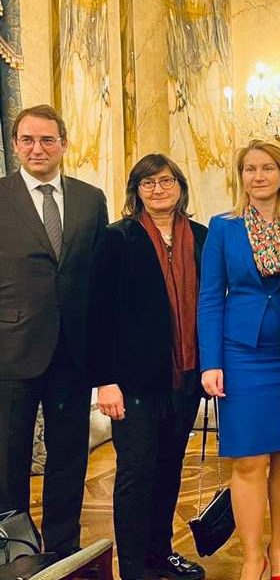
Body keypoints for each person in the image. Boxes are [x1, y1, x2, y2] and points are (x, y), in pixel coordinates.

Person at [198, 140, 280, 580]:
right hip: (241, 355)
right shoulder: (223, 227)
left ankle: (279, 548)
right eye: (250, 169)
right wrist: (211, 362)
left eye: (267, 168)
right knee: (247, 459)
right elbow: (210, 297)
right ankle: (252, 557)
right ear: (241, 176)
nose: (259, 176)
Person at [89, 154, 208, 580]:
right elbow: (97, 312)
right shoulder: (117, 238)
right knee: (136, 474)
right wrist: (105, 381)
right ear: (136, 191)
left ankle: (161, 554)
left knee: (169, 469)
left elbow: (213, 303)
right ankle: (134, 568)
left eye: (166, 181)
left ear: (180, 186)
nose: (158, 189)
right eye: (148, 183)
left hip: (186, 377)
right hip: (134, 382)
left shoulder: (201, 236)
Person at [0, 104, 106, 554]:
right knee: (8, 461)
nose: (37, 148)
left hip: (73, 352)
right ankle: (15, 551)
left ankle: (63, 551)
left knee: (68, 459)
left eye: (47, 140)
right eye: (27, 140)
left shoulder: (90, 199)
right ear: (15, 145)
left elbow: (100, 278)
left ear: (63, 144)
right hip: (11, 350)